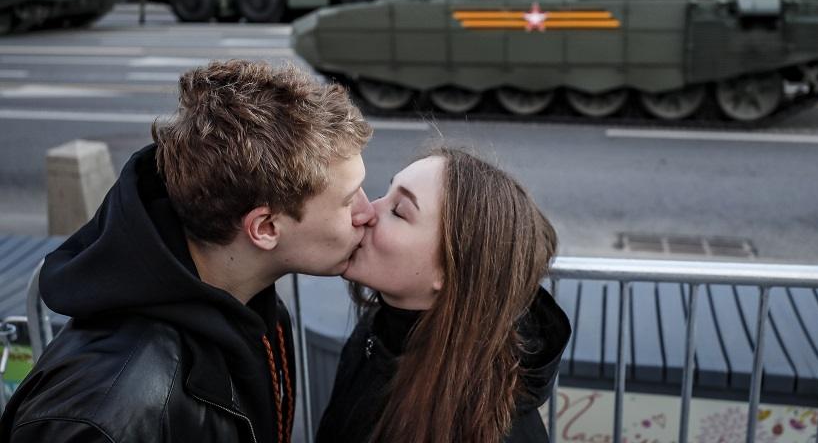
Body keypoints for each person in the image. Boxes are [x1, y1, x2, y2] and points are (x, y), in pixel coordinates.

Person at [0, 60, 375, 443]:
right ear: (264, 229)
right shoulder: (100, 415)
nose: (369, 211)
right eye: (349, 200)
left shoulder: (252, 304)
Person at [316, 147, 571, 443]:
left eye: (399, 211)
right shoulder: (377, 335)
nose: (368, 210)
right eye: (387, 192)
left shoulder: (488, 429)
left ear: (451, 271)